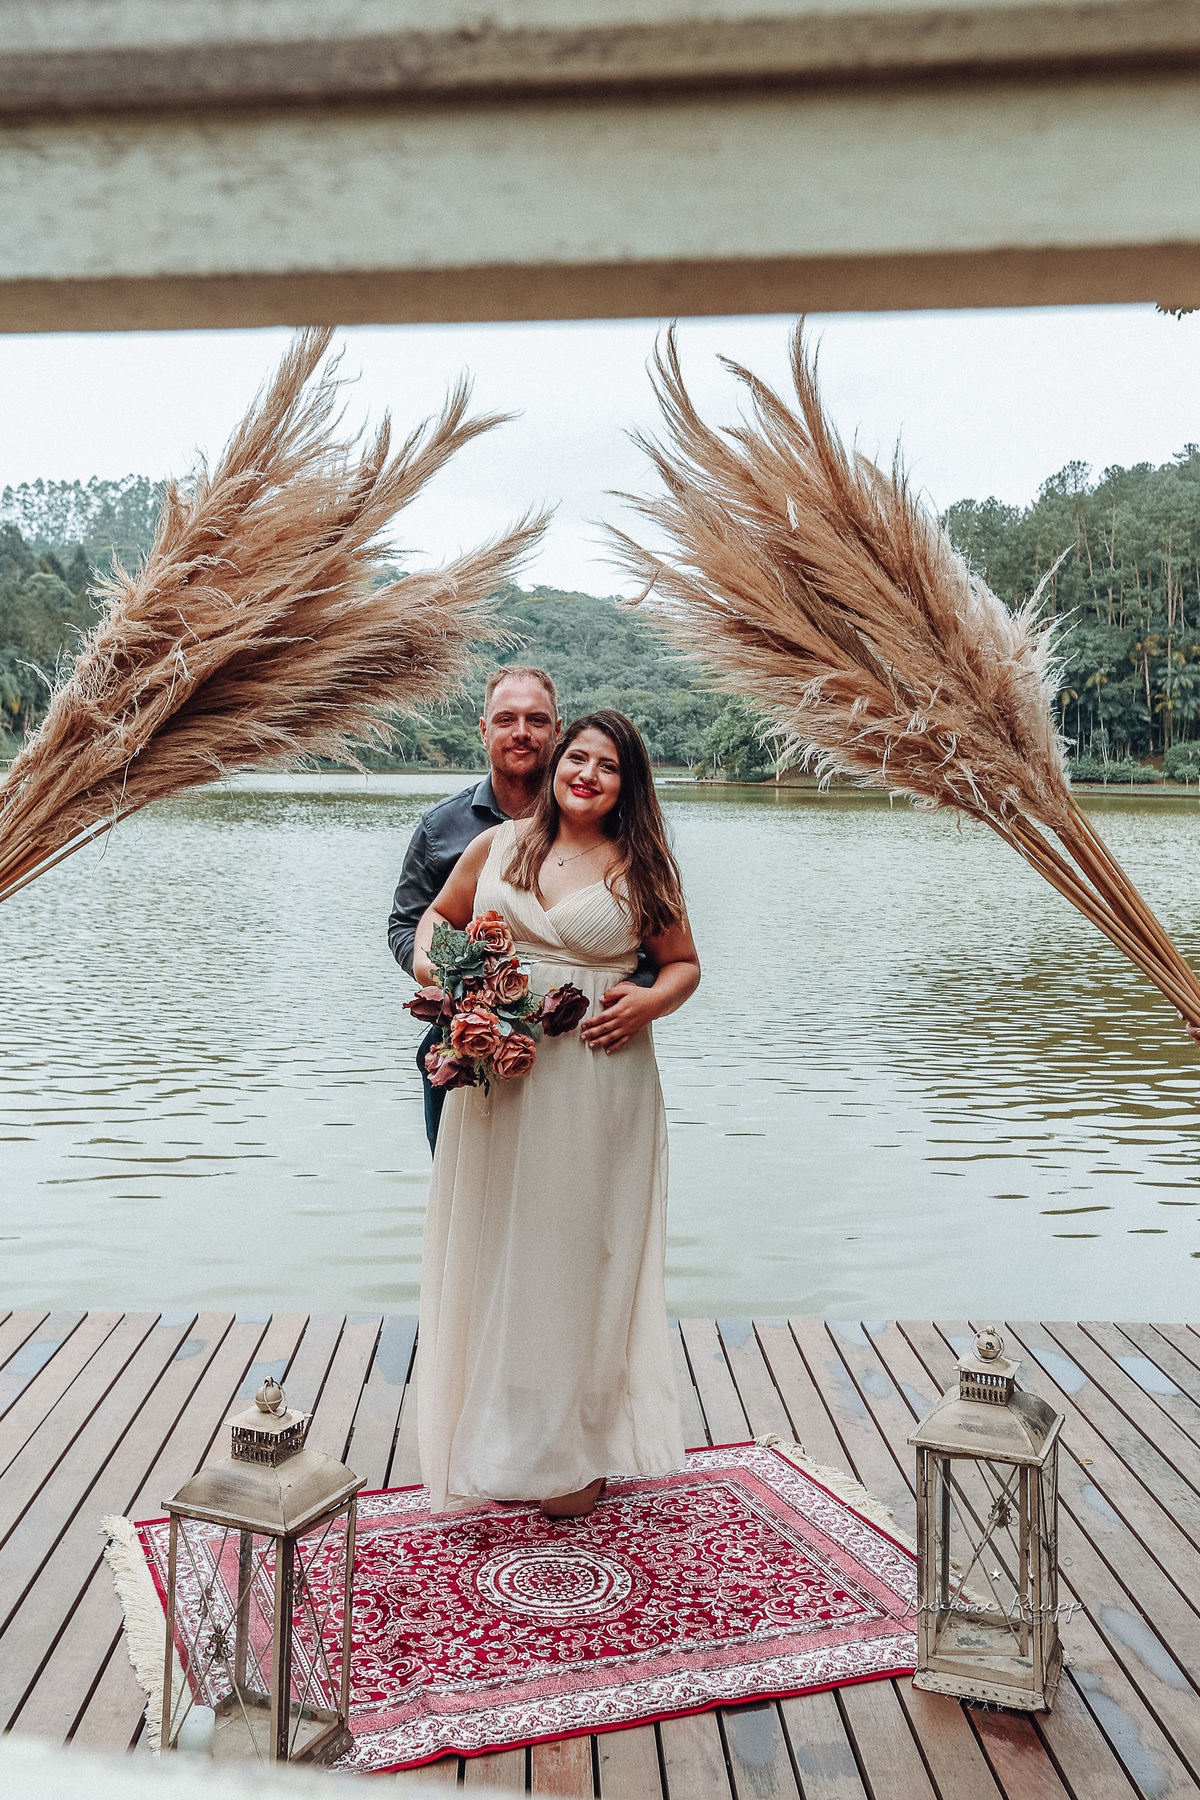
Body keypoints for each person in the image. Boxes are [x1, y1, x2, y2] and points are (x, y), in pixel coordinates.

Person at [412, 710, 701, 1518]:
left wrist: (649, 1002)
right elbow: (439, 917)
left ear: (626, 784)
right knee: (497, 1244)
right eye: (578, 757)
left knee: (577, 1252)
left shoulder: (644, 867)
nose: (587, 774)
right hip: (501, 1078)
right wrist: (441, 972)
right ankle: (493, 1440)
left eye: (608, 766)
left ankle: (575, 1445)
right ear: (557, 764)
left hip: (597, 1080)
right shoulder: (499, 845)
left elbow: (683, 964)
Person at [388, 667, 562, 1152]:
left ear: (558, 730)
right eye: (506, 719)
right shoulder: (440, 827)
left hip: (570, 1048)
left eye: (536, 720)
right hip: (466, 1048)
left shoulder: (593, 826)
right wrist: (440, 975)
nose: (521, 733)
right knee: (461, 1188)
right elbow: (406, 923)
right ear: (484, 731)